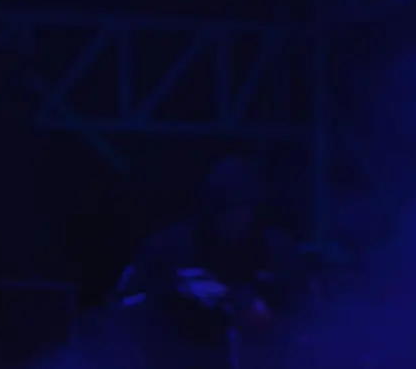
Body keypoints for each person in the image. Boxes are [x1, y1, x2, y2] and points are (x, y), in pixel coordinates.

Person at [112, 157, 311, 369]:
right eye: (227, 210)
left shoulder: (274, 251)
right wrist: (177, 295)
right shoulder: (172, 248)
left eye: (245, 209)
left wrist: (270, 320)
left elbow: (308, 318)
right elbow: (126, 304)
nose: (237, 219)